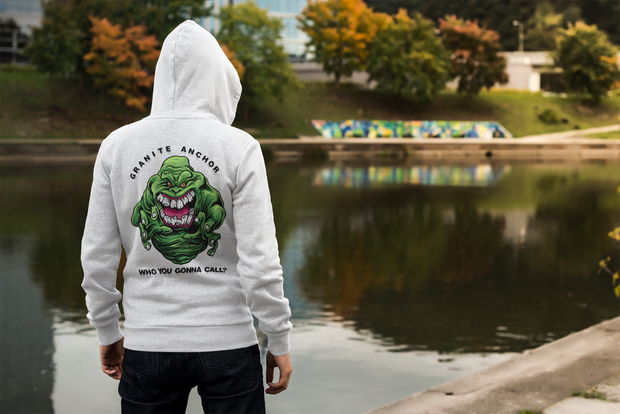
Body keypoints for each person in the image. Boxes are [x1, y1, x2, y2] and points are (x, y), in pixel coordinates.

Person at [81, 20, 292, 414]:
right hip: (228, 344)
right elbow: (260, 260)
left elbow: (97, 256)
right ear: (218, 80)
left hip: (147, 343)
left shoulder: (117, 146)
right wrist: (277, 336)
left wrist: (108, 331)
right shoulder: (240, 147)